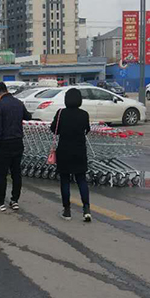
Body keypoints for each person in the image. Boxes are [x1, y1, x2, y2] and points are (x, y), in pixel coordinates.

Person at [0, 82, 31, 212]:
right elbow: (28, 116)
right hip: (18, 142)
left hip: (4, 143)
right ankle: (14, 200)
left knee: (1, 174)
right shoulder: (18, 102)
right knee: (16, 173)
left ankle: (0, 202)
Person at [50, 88, 92, 222]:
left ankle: (67, 211)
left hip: (64, 151)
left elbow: (54, 130)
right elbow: (87, 130)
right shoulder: (84, 114)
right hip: (79, 150)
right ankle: (86, 209)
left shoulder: (61, 113)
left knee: (65, 181)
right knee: (81, 180)